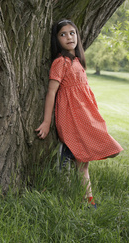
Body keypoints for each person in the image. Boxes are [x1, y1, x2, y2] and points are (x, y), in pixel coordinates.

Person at [35, 19, 123, 208]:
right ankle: (66, 191)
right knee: (78, 160)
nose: (69, 37)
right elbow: (52, 92)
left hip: (85, 114)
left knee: (84, 163)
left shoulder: (77, 62)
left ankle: (88, 201)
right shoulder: (61, 62)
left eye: (72, 33)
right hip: (71, 116)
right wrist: (46, 121)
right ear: (56, 40)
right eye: (63, 34)